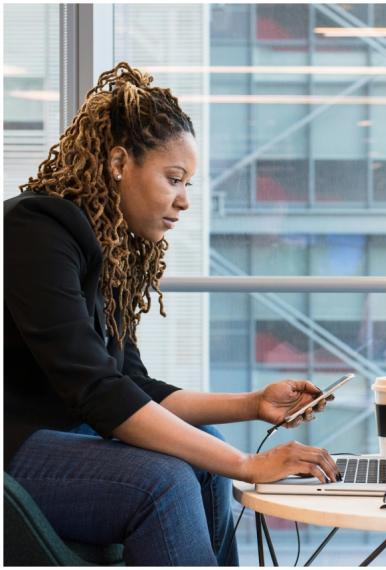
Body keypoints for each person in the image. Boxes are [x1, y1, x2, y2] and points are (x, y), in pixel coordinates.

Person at [4, 61, 340, 566]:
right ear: (120, 163)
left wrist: (253, 403)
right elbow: (97, 392)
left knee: (205, 451)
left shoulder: (111, 250)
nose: (184, 201)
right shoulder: (38, 229)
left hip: (62, 436)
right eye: (174, 178)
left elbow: (131, 386)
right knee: (163, 482)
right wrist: (248, 463)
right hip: (15, 445)